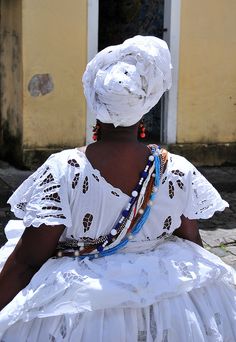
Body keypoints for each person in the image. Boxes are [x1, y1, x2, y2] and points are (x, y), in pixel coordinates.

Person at [0, 35, 235, 342]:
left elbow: (27, 260)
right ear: (144, 108)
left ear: (95, 103)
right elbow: (191, 241)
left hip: (80, 311)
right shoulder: (175, 169)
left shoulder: (64, 170)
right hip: (165, 311)